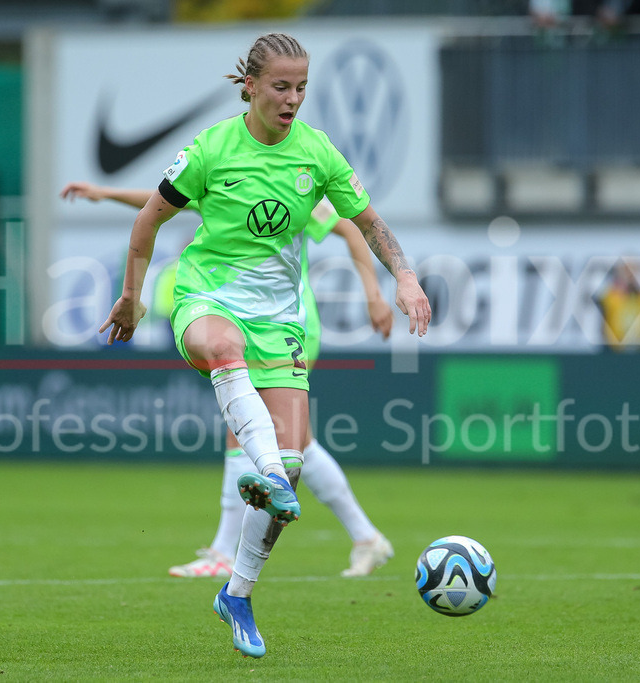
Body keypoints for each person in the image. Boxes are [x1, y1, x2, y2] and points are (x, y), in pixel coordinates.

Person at [98, 32, 431, 659]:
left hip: (282, 323)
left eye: (302, 87)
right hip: (208, 299)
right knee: (225, 352)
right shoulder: (210, 150)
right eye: (281, 86)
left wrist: (404, 277)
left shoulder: (316, 152)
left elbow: (369, 223)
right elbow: (148, 219)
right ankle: (269, 473)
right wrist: (131, 297)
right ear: (249, 85)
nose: (293, 99)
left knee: (296, 466)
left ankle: (238, 593)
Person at [60, 181, 397, 578]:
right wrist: (107, 193)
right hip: (241, 319)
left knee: (246, 431)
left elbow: (348, 225)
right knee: (294, 442)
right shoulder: (225, 186)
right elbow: (162, 201)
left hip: (285, 324)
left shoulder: (290, 188)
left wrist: (374, 294)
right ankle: (366, 537)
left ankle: (223, 552)